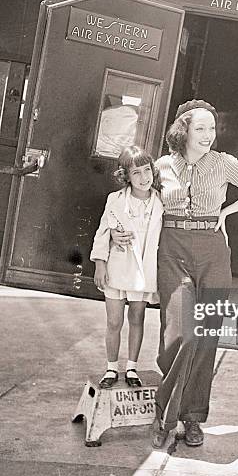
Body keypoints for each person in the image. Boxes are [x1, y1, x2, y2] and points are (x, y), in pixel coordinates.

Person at [111, 100, 238, 448]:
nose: (208, 135)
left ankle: (192, 418)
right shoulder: (163, 165)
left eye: (212, 128)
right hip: (174, 250)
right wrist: (116, 230)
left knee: (207, 335)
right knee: (180, 334)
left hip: (213, 251)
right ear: (184, 131)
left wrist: (226, 213)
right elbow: (134, 198)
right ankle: (165, 413)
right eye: (201, 128)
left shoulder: (226, 163)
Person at [90, 145, 164, 388]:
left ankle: (131, 367)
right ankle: (111, 368)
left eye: (147, 171)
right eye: (136, 173)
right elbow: (102, 234)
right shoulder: (116, 200)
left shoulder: (160, 202)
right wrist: (100, 265)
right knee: (113, 321)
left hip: (143, 272)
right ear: (125, 176)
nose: (144, 178)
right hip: (118, 269)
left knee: (137, 317)